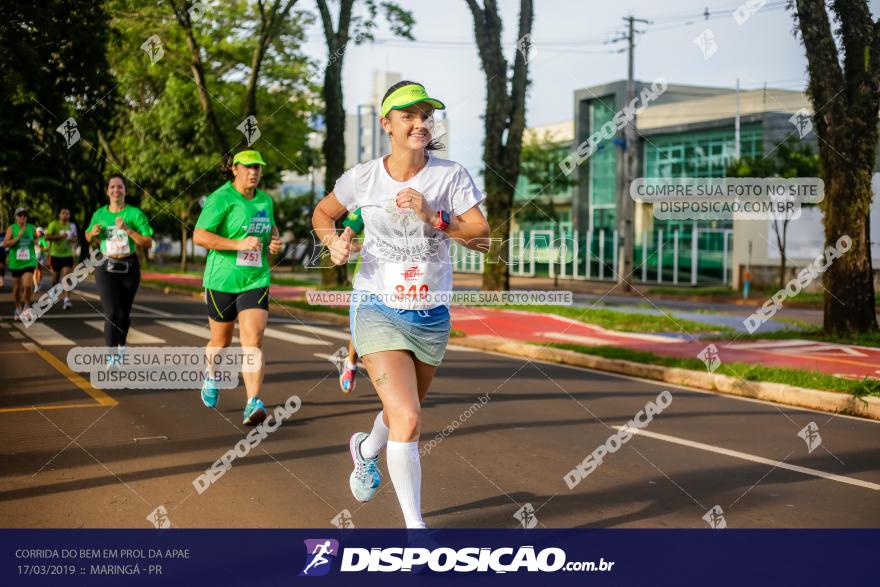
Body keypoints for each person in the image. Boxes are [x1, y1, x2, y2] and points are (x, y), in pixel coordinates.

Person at [312, 81, 489, 528]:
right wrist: (335, 245)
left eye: (425, 114)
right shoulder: (363, 178)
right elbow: (322, 214)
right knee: (409, 417)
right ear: (386, 123)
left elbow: (483, 239)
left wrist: (435, 217)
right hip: (376, 306)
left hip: (430, 314)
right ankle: (416, 529)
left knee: (399, 415)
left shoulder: (450, 176)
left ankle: (366, 449)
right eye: (408, 115)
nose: (419, 122)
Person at [193, 149, 283, 426]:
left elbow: (271, 229)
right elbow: (200, 236)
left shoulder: (265, 200)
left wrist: (275, 243)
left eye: (258, 167)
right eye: (248, 167)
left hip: (255, 279)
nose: (254, 172)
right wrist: (237, 244)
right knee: (221, 341)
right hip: (222, 280)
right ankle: (210, 375)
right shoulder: (221, 199)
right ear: (235, 169)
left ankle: (252, 402)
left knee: (253, 341)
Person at [86, 174, 154, 364]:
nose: (116, 190)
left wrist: (128, 229)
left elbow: (147, 242)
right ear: (108, 191)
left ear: (125, 190)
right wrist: (92, 233)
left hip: (129, 267)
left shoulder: (135, 214)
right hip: (105, 266)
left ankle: (122, 345)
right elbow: (87, 237)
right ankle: (111, 355)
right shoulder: (99, 214)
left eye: (120, 187)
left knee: (123, 313)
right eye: (113, 187)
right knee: (111, 312)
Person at [339, 208, 364, 394]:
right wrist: (345, 244)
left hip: (405, 281)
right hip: (368, 278)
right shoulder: (368, 199)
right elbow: (347, 234)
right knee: (360, 328)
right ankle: (351, 365)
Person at [3, 208, 38, 319]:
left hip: (29, 261)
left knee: (27, 285)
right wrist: (18, 237)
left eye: (24, 215)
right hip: (16, 262)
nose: (23, 217)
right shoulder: (11, 228)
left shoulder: (32, 228)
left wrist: (39, 241)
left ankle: (26, 307)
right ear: (16, 217)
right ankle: (17, 307)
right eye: (20, 215)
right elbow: (5, 244)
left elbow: (39, 241)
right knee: (17, 288)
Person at [45, 208, 78, 310]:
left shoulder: (72, 226)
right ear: (59, 215)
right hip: (55, 255)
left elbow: (75, 239)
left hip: (67, 255)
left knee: (67, 277)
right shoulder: (54, 224)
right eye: (63, 213)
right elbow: (47, 237)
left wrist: (73, 240)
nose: (65, 215)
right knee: (55, 279)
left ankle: (67, 300)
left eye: (67, 214)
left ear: (69, 216)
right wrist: (59, 236)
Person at [32, 227, 48, 294]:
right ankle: (36, 286)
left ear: (41, 233)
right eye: (37, 231)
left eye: (40, 231)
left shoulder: (42, 240)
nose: (38, 233)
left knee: (40, 271)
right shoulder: (32, 239)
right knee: (35, 271)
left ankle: (39, 282)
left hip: (41, 257)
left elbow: (46, 249)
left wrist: (39, 246)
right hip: (34, 257)